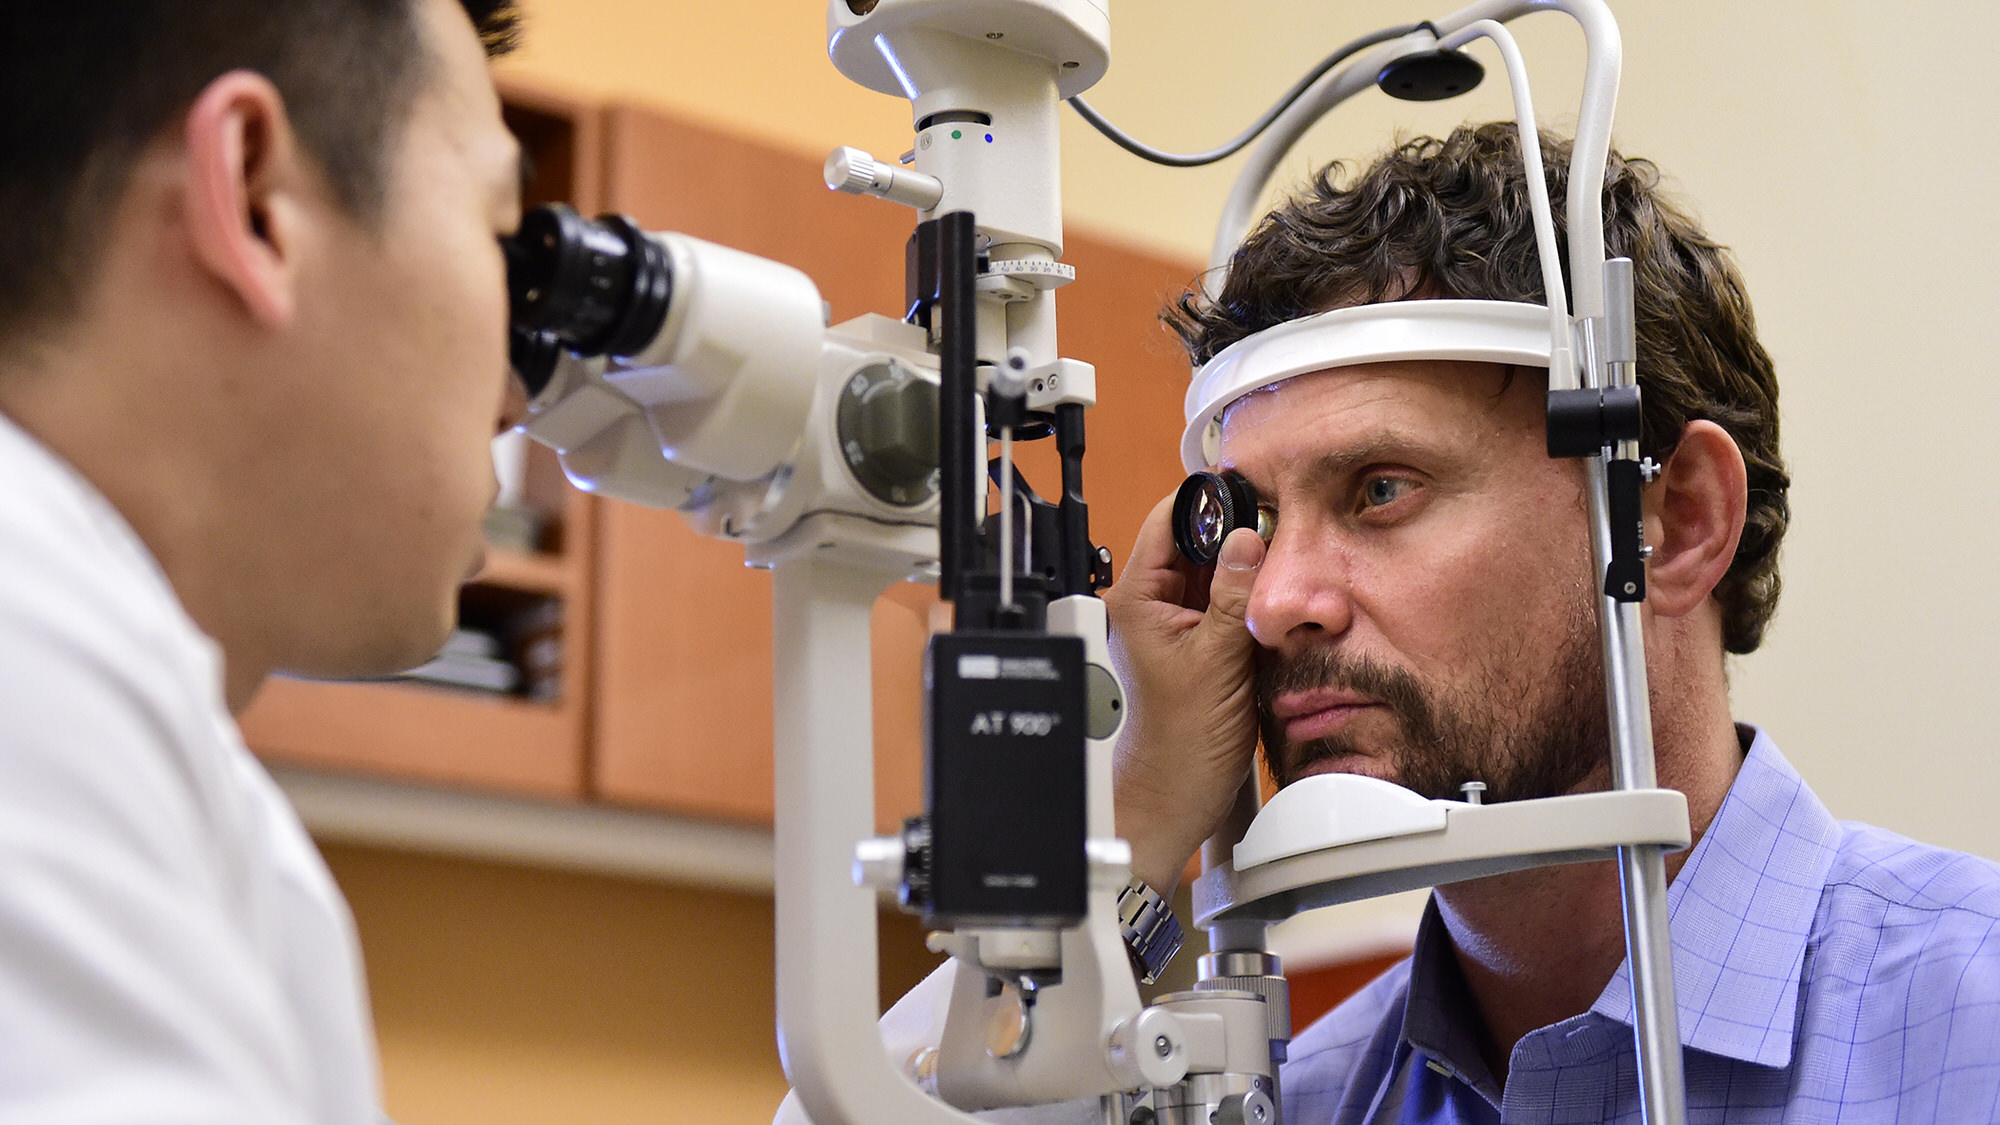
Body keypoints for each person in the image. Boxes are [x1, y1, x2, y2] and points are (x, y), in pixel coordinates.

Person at [1104, 123, 2000, 1121]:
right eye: (1257, 519)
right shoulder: (1301, 1098)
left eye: (1381, 488)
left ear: (1674, 520)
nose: (1272, 604)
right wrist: (1135, 827)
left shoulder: (1974, 1021)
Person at [0, 1, 526, 1119]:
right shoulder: (27, 641)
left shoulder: (175, 757)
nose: (521, 387)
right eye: (497, 233)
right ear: (251, 198)